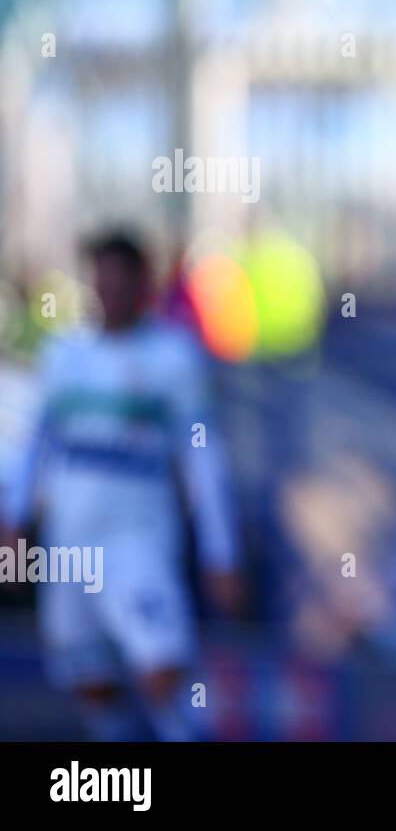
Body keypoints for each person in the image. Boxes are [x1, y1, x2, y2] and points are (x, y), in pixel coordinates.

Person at [0, 231, 241, 740]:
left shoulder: (173, 358)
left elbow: (203, 460)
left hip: (137, 541)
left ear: (142, 284)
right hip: (68, 546)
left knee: (162, 669)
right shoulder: (65, 354)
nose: (108, 291)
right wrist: (13, 525)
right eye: (100, 279)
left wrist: (222, 552)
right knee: (87, 678)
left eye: (118, 279)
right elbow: (33, 448)